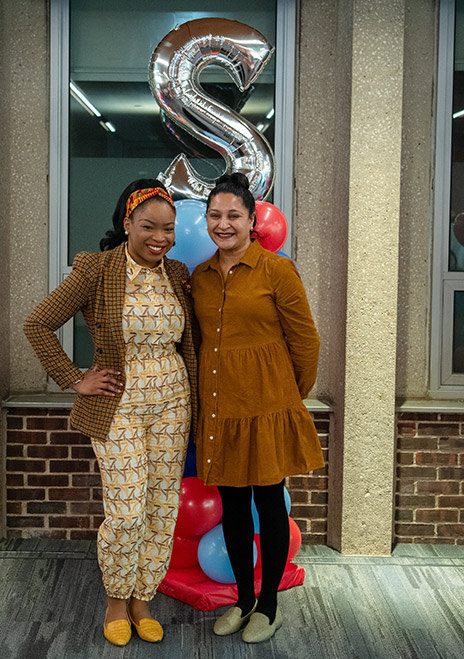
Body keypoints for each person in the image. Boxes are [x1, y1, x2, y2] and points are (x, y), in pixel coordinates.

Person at [23, 180, 196, 647]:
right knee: (126, 510)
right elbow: (37, 323)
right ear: (127, 224)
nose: (159, 237)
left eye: (168, 228)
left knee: (162, 506)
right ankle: (116, 600)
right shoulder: (97, 270)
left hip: (173, 403)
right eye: (148, 226)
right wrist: (75, 378)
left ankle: (144, 599)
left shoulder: (178, 274)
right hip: (119, 402)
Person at [190, 172, 322, 644]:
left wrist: (286, 395)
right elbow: (201, 343)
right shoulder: (200, 278)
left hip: (267, 408)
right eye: (215, 216)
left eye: (233, 216)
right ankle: (243, 600)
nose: (223, 224)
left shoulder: (277, 271)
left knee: (269, 507)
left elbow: (305, 342)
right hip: (221, 412)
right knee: (233, 510)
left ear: (252, 220)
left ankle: (269, 606)